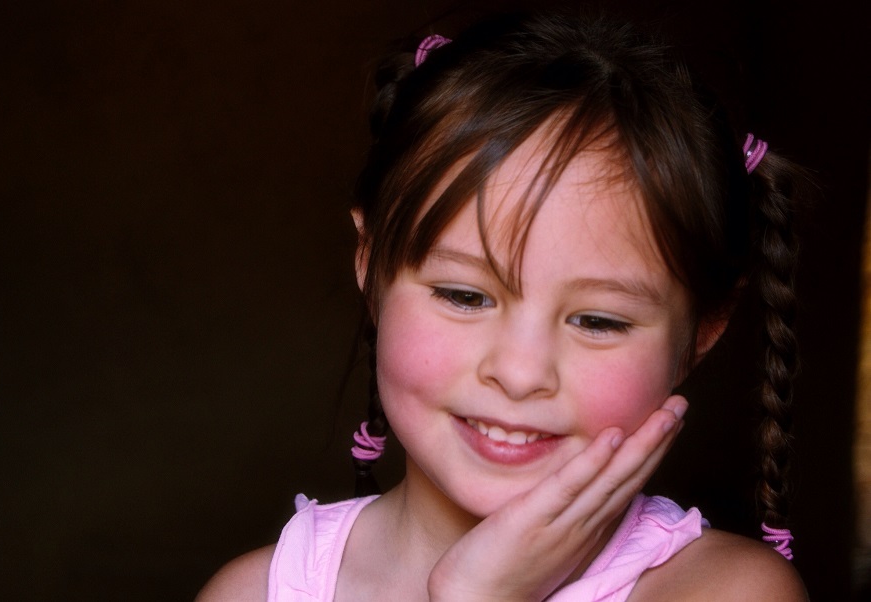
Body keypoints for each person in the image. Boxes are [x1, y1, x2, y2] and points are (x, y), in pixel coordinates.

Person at [197, 10, 810, 601]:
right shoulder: (258, 593)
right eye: (464, 295)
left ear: (702, 333)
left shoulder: (722, 592)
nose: (519, 373)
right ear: (370, 265)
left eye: (598, 321)